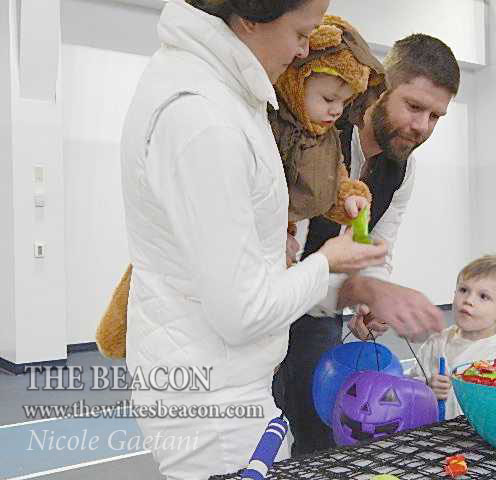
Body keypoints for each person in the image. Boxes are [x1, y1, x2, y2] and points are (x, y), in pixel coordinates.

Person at [119, 0, 388, 477]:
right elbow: (242, 312)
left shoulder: (215, 92)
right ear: (249, 17)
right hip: (216, 404)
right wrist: (328, 262)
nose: (304, 49)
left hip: (222, 383)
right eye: (302, 32)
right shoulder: (204, 117)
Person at [273, 33, 460, 456]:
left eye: (436, 116)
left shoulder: (403, 170)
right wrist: (358, 289)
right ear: (379, 87)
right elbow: (279, 259)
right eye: (414, 107)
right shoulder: (316, 130)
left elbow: (378, 245)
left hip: (317, 316)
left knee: (319, 435)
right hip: (261, 308)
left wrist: (368, 297)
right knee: (253, 435)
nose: (422, 127)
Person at [270, 14, 386, 247]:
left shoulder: (326, 138)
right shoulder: (268, 124)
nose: (337, 111)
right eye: (328, 98)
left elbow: (331, 179)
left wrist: (348, 199)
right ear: (295, 82)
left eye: (344, 102)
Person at [408, 255, 496, 420]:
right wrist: (427, 386)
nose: (468, 300)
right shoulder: (435, 343)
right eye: (463, 290)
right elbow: (407, 386)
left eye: (483, 296)